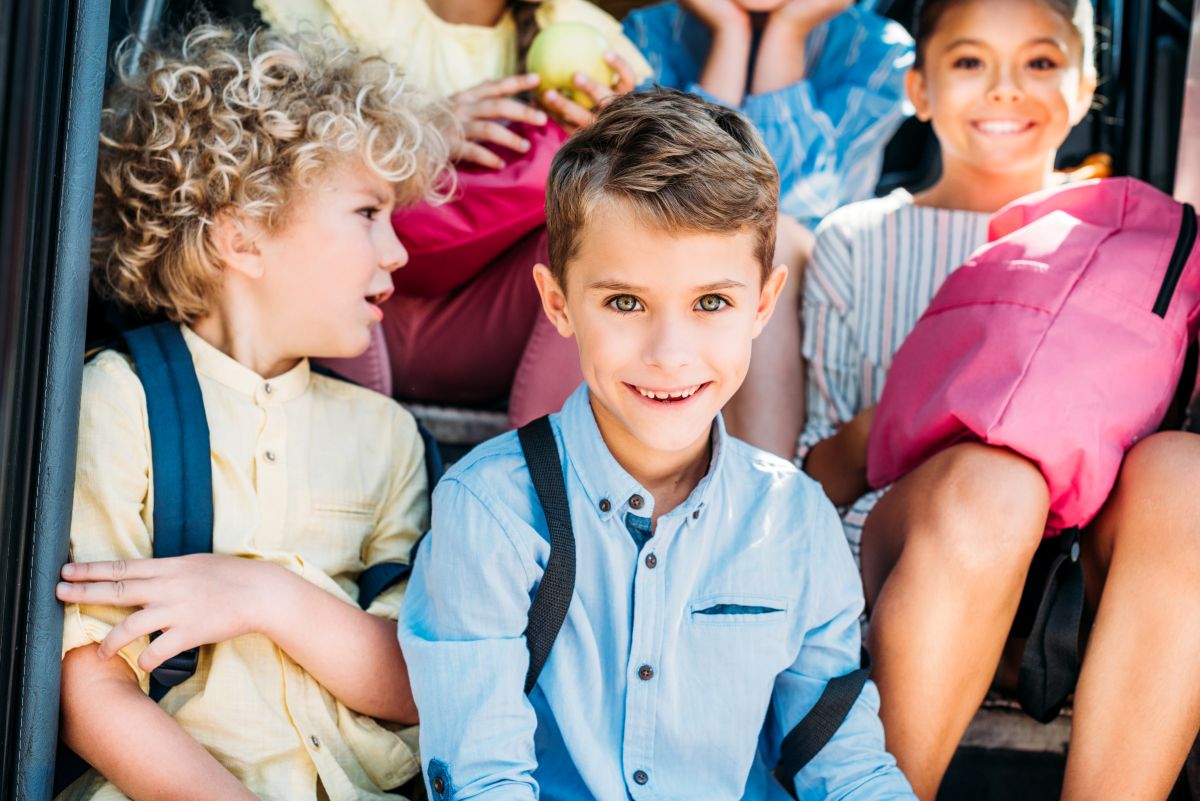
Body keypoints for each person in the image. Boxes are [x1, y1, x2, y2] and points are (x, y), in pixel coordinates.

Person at [398, 88, 916, 800]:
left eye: (711, 303)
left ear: (762, 305)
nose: (670, 353)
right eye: (624, 302)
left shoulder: (796, 520)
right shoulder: (491, 513)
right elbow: (483, 778)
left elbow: (845, 764)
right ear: (558, 304)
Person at [800, 1, 1200, 798]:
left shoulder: (1137, 242)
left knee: (1187, 477)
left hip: (1073, 576)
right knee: (998, 482)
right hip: (919, 547)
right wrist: (944, 412)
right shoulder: (857, 239)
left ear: (1086, 87)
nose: (1007, 90)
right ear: (919, 87)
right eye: (971, 62)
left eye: (1042, 64)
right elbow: (815, 472)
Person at [54, 22, 451, 801]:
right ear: (242, 235)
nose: (397, 250)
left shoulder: (388, 437)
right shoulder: (121, 403)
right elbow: (89, 683)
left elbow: (416, 684)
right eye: (368, 212)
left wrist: (265, 596)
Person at [258, 0, 653, 426]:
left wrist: (617, 144)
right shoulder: (342, 12)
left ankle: (549, 476)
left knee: (594, 233)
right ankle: (349, 457)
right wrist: (418, 134)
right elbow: (269, 171)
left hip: (484, 330)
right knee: (331, 213)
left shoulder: (586, 33)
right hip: (350, 309)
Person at [622, 0, 914, 456]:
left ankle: (765, 498)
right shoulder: (648, 32)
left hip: (806, 277)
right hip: (668, 260)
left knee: (765, 245)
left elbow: (781, 200)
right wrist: (729, 34)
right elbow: (678, 200)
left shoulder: (877, 51)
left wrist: (788, 32)